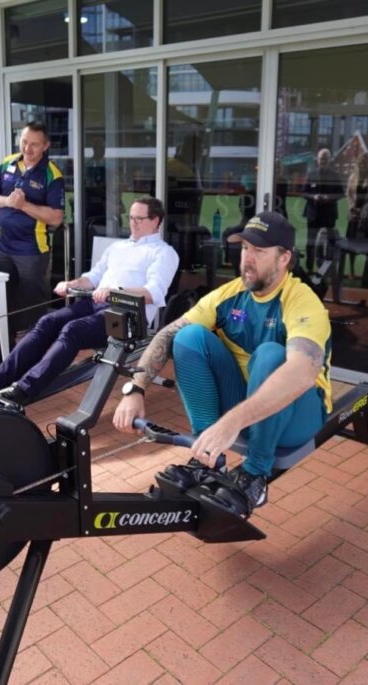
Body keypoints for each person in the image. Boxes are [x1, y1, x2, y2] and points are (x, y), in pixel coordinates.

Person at [113, 212, 333, 510]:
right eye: (244, 249)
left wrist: (232, 421)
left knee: (271, 355)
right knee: (188, 337)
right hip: (247, 401)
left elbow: (302, 372)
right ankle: (207, 458)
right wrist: (135, 389)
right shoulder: (230, 295)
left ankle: (255, 473)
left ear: (284, 259)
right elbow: (167, 333)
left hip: (299, 414)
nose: (247, 258)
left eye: (259, 251)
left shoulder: (301, 300)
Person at [0, 197, 178, 405]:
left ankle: (23, 389)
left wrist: (116, 292)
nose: (133, 223)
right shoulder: (118, 247)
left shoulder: (164, 253)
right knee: (46, 322)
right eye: (130, 217)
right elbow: (92, 278)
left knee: (73, 330)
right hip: (96, 304)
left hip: (128, 316)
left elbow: (154, 293)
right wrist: (71, 283)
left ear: (156, 220)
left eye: (139, 218)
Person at [0, 121, 65, 367]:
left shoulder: (52, 174)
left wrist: (24, 205)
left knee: (32, 306)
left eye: (34, 144)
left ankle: (33, 355)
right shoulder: (8, 162)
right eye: (24, 141)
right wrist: (8, 201)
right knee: (0, 301)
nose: (27, 148)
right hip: (2, 247)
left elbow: (57, 218)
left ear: (46, 146)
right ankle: (4, 349)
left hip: (32, 250)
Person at [301, 149, 344, 274]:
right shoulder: (311, 174)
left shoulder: (335, 175)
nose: (323, 161)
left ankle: (325, 270)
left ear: (330, 160)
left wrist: (328, 198)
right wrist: (314, 197)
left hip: (329, 214)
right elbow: (304, 192)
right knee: (311, 242)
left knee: (328, 244)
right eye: (321, 158)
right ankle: (309, 269)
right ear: (317, 160)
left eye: (326, 158)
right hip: (313, 213)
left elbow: (341, 193)